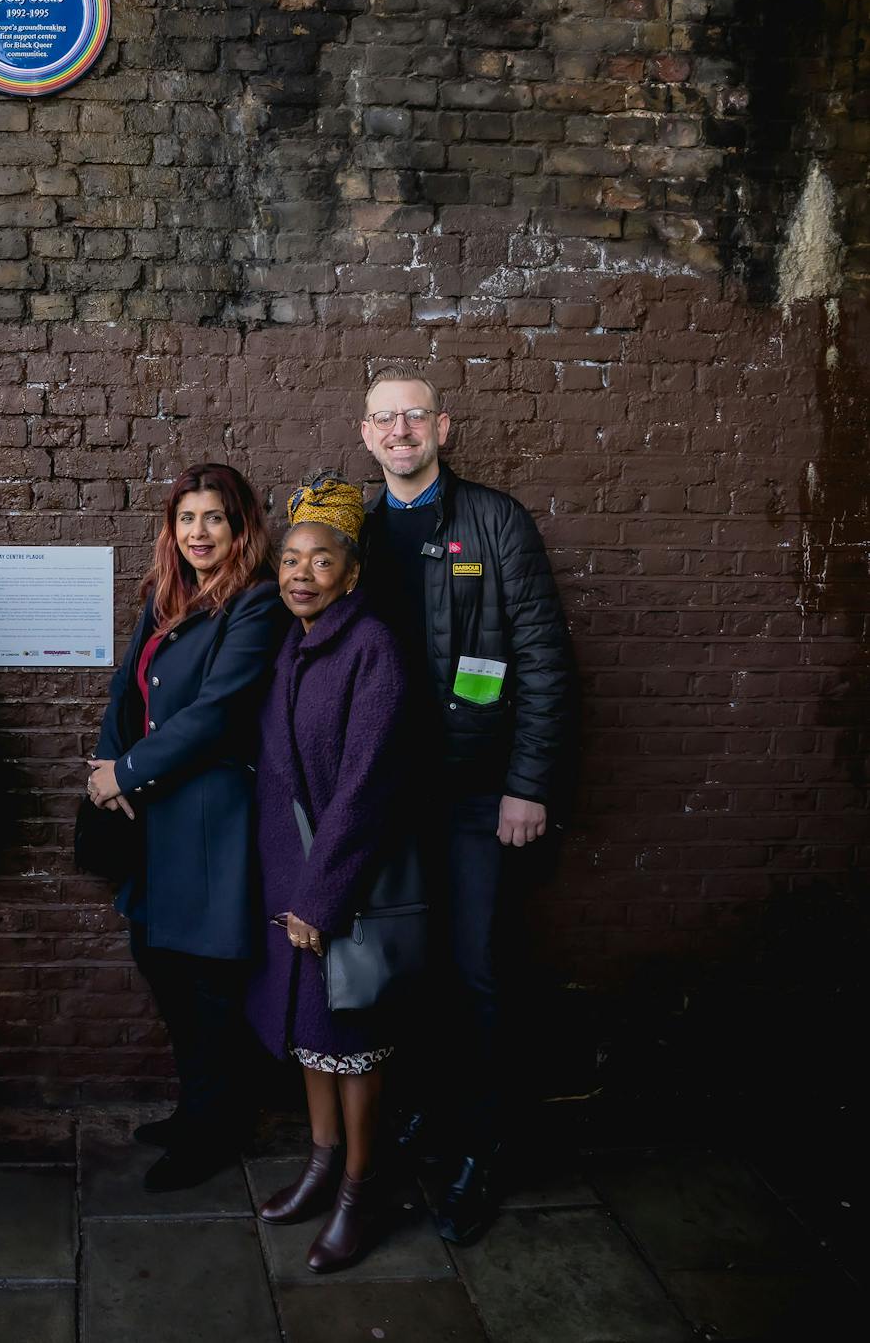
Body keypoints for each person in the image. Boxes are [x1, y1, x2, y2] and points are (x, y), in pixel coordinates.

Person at [357, 365, 577, 1245]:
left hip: (478, 795)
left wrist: (528, 785)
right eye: (383, 419)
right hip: (385, 797)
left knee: (479, 969)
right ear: (365, 434)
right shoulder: (356, 529)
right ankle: (426, 1116)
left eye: (413, 416)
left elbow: (544, 662)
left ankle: (481, 1149)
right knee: (404, 969)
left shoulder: (495, 520)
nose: (399, 430)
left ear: (441, 428)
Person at [88, 463, 288, 1192]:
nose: (198, 533)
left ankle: (213, 1129)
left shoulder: (254, 605)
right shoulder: (164, 597)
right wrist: (105, 763)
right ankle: (197, 1107)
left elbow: (218, 713)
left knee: (207, 986)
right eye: (186, 519)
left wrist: (128, 772)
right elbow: (124, 688)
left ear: (239, 528)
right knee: (162, 967)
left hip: (207, 823)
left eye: (214, 519)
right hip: (150, 821)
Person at [246, 474, 408, 1272]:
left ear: (349, 574)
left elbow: (366, 784)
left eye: (318, 561)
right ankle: (318, 1167)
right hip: (293, 886)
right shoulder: (293, 644)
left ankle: (359, 1188)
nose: (299, 573)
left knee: (353, 1045)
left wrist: (319, 896)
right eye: (288, 560)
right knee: (313, 1040)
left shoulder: (370, 646)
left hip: (342, 890)